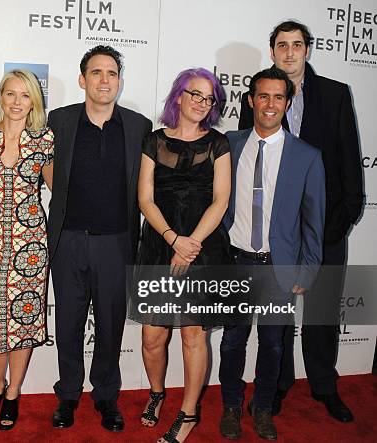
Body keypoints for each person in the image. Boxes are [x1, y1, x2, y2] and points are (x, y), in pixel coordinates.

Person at [239, 20, 363, 422]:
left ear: (308, 49)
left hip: (326, 227)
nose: (289, 52)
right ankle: (276, 385)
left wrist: (342, 219)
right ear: (272, 50)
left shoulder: (335, 94)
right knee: (277, 316)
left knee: (323, 310)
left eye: (297, 45)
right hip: (275, 233)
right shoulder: (258, 95)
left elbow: (348, 157)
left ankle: (325, 385)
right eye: (281, 45)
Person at [47, 45, 152, 432]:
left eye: (111, 73)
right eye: (96, 72)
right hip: (69, 240)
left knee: (110, 325)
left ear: (119, 82)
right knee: (69, 323)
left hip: (116, 242)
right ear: (82, 80)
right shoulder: (58, 120)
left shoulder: (139, 127)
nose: (104, 79)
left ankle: (106, 395)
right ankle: (68, 395)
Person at [219, 67, 325, 440]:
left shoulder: (306, 156)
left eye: (278, 97)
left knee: (273, 344)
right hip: (235, 263)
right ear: (250, 100)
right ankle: (231, 406)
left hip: (279, 268)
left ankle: (262, 408)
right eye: (263, 96)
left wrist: (307, 272)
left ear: (287, 102)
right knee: (232, 341)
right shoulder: (229, 144)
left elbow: (314, 222)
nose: (270, 104)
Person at [136, 68, 231, 443]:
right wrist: (173, 238)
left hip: (203, 248)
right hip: (161, 244)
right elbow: (144, 198)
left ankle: (189, 414)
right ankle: (157, 392)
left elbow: (221, 200)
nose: (201, 103)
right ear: (179, 96)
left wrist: (190, 244)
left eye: (208, 98)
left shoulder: (219, 144)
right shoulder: (153, 140)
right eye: (195, 94)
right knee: (151, 337)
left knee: (194, 336)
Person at [0, 69, 54, 430]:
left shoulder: (43, 140)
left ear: (34, 100)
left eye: (25, 95)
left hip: (31, 247)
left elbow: (57, 189)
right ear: (1, 97)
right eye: (10, 94)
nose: (17, 102)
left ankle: (13, 391)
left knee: (24, 319)